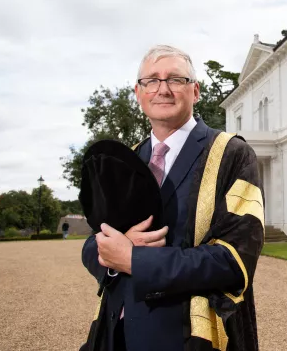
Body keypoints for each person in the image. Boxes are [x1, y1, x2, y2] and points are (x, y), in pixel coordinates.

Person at [81, 45, 264, 351]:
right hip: (117, 333)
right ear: (139, 94)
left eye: (175, 79)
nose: (162, 89)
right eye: (151, 80)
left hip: (189, 337)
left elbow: (234, 260)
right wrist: (110, 256)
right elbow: (93, 240)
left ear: (195, 91)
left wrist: (133, 259)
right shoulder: (124, 161)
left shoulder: (232, 154)